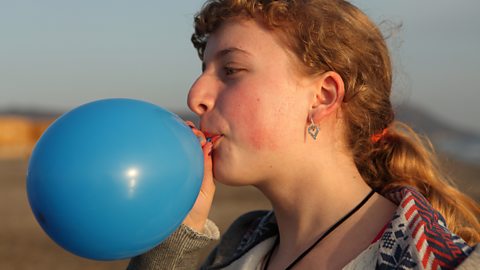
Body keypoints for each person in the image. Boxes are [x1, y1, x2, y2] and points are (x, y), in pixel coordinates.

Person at [128, 0, 479, 269]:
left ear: (323, 96)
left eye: (231, 70)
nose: (195, 97)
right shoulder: (233, 255)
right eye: (204, 69)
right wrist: (173, 243)